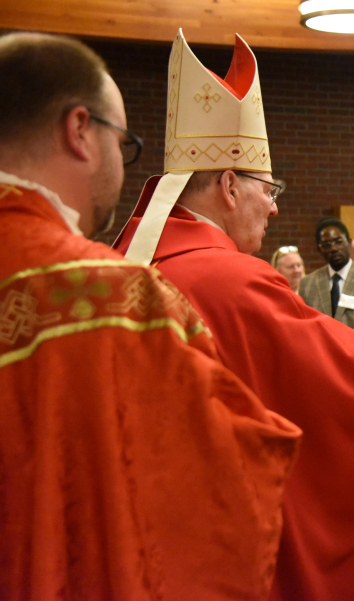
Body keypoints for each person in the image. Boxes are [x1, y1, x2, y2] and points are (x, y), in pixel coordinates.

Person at [113, 30, 354, 601]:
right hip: (217, 542)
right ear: (231, 185)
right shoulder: (230, 279)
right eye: (269, 187)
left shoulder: (133, 264)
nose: (275, 204)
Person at [0, 32, 301, 599]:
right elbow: (224, 482)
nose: (126, 163)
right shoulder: (115, 297)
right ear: (80, 131)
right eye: (126, 142)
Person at [300, 218, 354, 332]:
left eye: (338, 242)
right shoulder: (308, 284)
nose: (333, 248)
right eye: (326, 245)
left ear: (349, 242)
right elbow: (305, 328)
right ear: (319, 249)